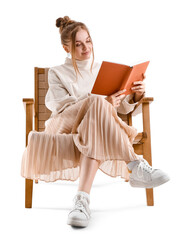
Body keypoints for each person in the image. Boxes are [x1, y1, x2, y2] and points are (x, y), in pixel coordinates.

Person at [21, 16, 169, 228]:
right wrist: (100, 101)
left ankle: (81, 200)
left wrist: (135, 96)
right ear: (66, 49)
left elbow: (120, 108)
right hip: (63, 125)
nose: (85, 48)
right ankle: (135, 164)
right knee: (97, 102)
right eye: (78, 44)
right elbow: (60, 105)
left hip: (93, 130)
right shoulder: (57, 73)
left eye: (88, 41)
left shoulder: (103, 69)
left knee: (96, 121)